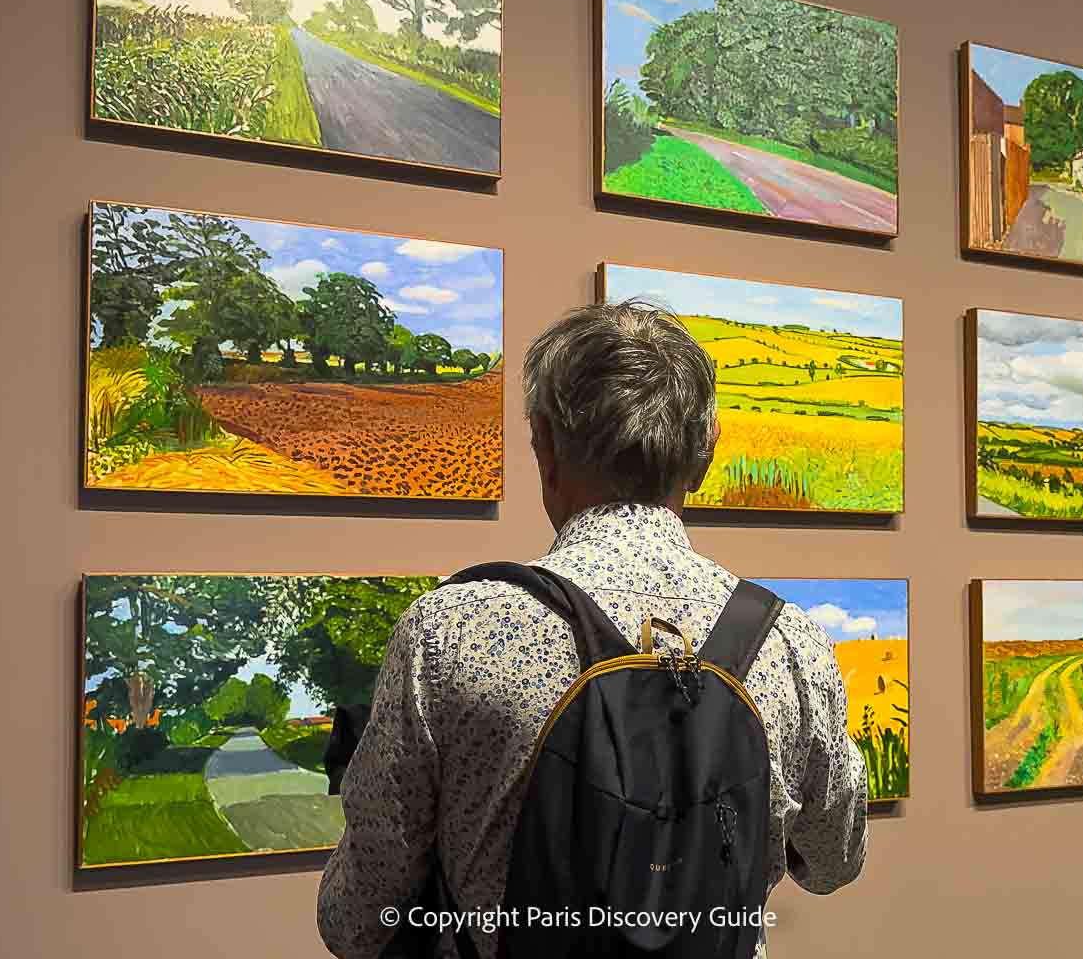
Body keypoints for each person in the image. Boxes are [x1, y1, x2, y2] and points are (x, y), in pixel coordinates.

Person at [318, 301, 868, 959]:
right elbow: (835, 860)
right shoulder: (788, 642)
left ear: (544, 443)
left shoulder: (450, 630)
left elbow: (355, 919)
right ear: (705, 452)